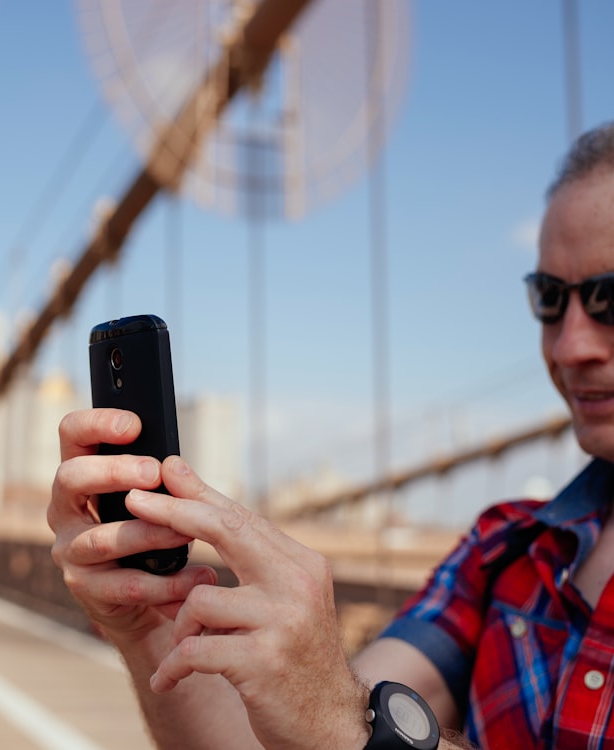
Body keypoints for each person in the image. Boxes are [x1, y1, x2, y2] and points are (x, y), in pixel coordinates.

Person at [48, 120, 614, 749]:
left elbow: (339, 732)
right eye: (550, 299)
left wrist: (341, 725)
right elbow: (283, 739)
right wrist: (146, 625)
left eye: (608, 300)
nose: (570, 345)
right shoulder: (500, 550)